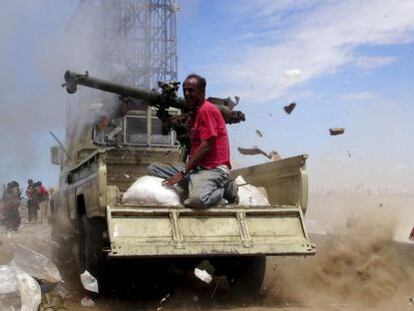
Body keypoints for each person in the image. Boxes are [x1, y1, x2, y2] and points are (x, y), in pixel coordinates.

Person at [148, 74, 238, 208]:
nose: (186, 93)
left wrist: (183, 173)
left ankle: (223, 189)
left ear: (202, 91)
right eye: (184, 90)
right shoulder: (194, 113)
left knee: (196, 200)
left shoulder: (206, 110)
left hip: (213, 169)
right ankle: (197, 183)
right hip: (197, 169)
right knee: (154, 169)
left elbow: (206, 145)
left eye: (191, 90)